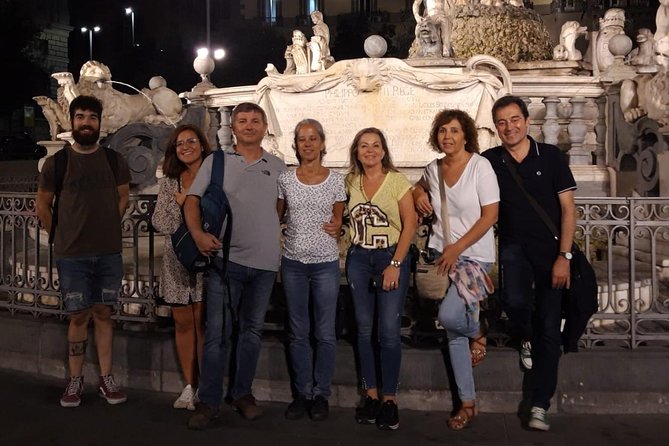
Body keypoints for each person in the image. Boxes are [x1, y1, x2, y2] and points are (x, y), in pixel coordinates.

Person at [184, 102, 287, 430]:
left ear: (264, 126)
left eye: (255, 121)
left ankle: (242, 393)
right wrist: (198, 234)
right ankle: (209, 401)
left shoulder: (279, 166)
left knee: (251, 332)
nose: (248, 126)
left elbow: (281, 209)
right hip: (225, 262)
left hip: (265, 264)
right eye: (242, 120)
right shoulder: (216, 162)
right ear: (234, 127)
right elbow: (192, 201)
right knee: (217, 334)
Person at [482, 95, 576, 431]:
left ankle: (539, 403)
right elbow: (453, 175)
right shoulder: (490, 160)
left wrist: (564, 257)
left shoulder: (549, 156)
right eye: (502, 122)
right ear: (496, 128)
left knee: (550, 329)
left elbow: (568, 209)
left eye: (514, 119)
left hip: (551, 252)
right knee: (514, 303)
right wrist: (421, 192)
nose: (509, 127)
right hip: (513, 248)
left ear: (526, 121)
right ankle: (525, 337)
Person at [36, 95, 131, 408]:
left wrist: (106, 225)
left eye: (92, 117)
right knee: (78, 316)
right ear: (71, 121)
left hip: (108, 252)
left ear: (99, 123)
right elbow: (42, 206)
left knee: (104, 314)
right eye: (80, 117)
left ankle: (106, 377)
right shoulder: (57, 163)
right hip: (72, 255)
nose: (86, 122)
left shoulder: (115, 160)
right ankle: (75, 379)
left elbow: (122, 199)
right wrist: (63, 235)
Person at [413, 109, 499, 430]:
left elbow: (490, 216)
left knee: (450, 317)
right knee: (452, 332)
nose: (447, 136)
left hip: (473, 257)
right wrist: (418, 192)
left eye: (454, 131)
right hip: (440, 255)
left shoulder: (481, 167)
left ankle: (479, 331)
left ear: (466, 135)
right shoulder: (433, 169)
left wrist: (457, 249)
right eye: (442, 131)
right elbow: (418, 187)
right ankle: (467, 403)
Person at [345, 128, 417, 431]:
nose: (370, 151)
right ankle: (370, 393)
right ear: (357, 151)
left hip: (390, 256)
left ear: (384, 151)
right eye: (364, 146)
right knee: (363, 330)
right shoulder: (351, 182)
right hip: (359, 259)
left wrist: (396, 264)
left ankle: (390, 398)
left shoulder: (397, 181)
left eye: (375, 146)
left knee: (387, 330)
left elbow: (410, 223)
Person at [277, 119, 346, 421]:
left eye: (313, 138)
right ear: (296, 144)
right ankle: (302, 393)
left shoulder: (336, 180)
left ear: (322, 143)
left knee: (325, 332)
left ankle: (321, 394)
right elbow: (276, 216)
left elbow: (338, 220)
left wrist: (340, 227)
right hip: (293, 263)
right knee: (298, 332)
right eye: (302, 139)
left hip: (325, 264)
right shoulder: (286, 179)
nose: (307, 144)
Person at [151, 125, 211, 410]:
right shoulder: (170, 182)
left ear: (202, 145)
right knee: (183, 323)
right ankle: (189, 385)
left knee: (202, 324)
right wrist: (184, 208)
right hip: (177, 260)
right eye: (179, 144)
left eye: (191, 141)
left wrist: (188, 204)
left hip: (207, 259)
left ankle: (205, 386)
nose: (185, 146)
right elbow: (159, 222)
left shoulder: (215, 179)